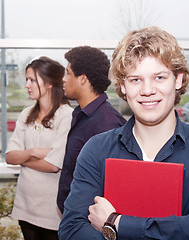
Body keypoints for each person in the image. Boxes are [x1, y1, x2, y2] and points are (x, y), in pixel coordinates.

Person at [58, 26, 189, 240]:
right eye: (135, 79)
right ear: (123, 87)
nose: (147, 90)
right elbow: (71, 230)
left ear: (178, 80)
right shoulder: (97, 149)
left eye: (159, 78)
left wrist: (116, 223)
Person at [5, 56, 73, 240]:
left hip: (52, 211)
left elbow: (53, 165)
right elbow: (10, 156)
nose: (27, 85)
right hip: (25, 207)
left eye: (32, 80)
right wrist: (33, 152)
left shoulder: (66, 115)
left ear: (50, 83)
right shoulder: (26, 113)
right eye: (27, 79)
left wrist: (24, 159)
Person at [57, 46, 127, 214]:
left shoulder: (107, 124)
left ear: (82, 79)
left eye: (68, 73)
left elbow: (111, 188)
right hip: (74, 217)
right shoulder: (81, 114)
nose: (63, 79)